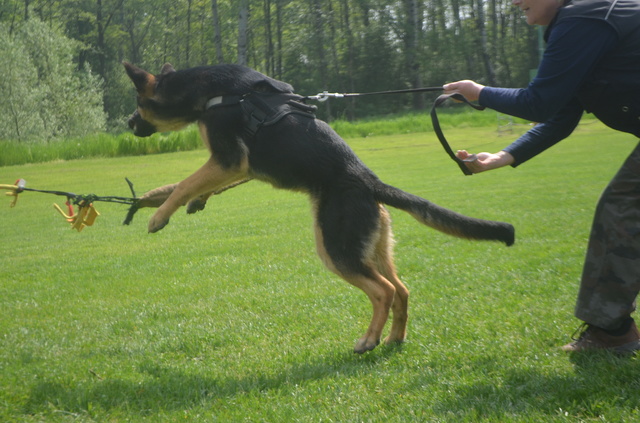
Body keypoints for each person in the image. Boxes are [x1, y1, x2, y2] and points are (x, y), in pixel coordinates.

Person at [443, 0, 640, 353]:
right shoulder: (585, 21)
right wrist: (502, 156)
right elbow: (561, 114)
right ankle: (612, 331)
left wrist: (478, 92)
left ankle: (612, 332)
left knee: (622, 209)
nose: (515, 1)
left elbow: (539, 102)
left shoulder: (583, 16)